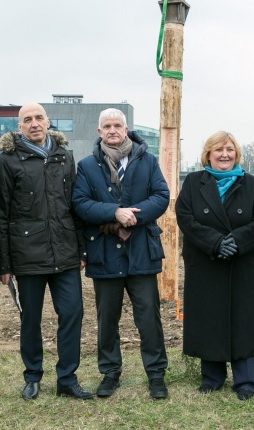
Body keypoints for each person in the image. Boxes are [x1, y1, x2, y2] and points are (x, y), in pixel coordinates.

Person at [0, 103, 92, 401]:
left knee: (73, 313)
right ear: (19, 126)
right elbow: (1, 216)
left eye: (39, 118)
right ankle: (33, 376)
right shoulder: (6, 162)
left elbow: (74, 207)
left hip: (65, 253)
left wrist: (81, 249)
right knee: (30, 319)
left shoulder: (65, 157)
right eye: (27, 120)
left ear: (48, 122)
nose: (34, 123)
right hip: (27, 256)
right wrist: (4, 264)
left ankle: (67, 379)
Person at [72, 108, 170, 399]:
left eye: (118, 125)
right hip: (104, 253)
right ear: (99, 132)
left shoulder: (147, 161)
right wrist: (114, 212)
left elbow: (161, 196)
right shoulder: (87, 166)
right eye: (107, 126)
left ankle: (156, 375)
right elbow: (80, 203)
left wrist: (134, 217)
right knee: (107, 319)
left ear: (126, 129)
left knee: (149, 318)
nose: (113, 130)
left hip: (142, 251)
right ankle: (110, 373)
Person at [175, 131, 254, 401]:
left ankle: (246, 380)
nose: (224, 154)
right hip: (206, 261)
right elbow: (185, 217)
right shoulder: (194, 182)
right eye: (218, 150)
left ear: (236, 154)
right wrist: (216, 242)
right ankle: (212, 377)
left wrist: (236, 241)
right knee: (209, 318)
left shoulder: (249, 183)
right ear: (208, 154)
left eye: (229, 149)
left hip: (239, 262)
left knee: (242, 319)